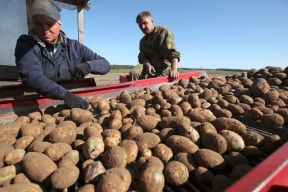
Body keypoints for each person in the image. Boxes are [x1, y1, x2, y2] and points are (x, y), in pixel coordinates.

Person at [15, 0, 110, 109]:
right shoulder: (26, 44)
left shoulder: (74, 47)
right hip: (37, 99)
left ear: (59, 24)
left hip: (73, 98)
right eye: (38, 24)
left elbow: (105, 65)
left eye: (50, 24)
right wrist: (64, 94)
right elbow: (32, 75)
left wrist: (88, 66)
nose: (45, 30)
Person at [129, 11, 180, 81]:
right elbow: (143, 56)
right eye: (140, 25)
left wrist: (174, 70)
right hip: (149, 68)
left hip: (163, 68)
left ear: (152, 21)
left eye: (145, 23)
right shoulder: (143, 41)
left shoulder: (163, 32)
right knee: (134, 72)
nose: (143, 27)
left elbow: (172, 52)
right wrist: (148, 65)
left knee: (158, 84)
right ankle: (136, 90)